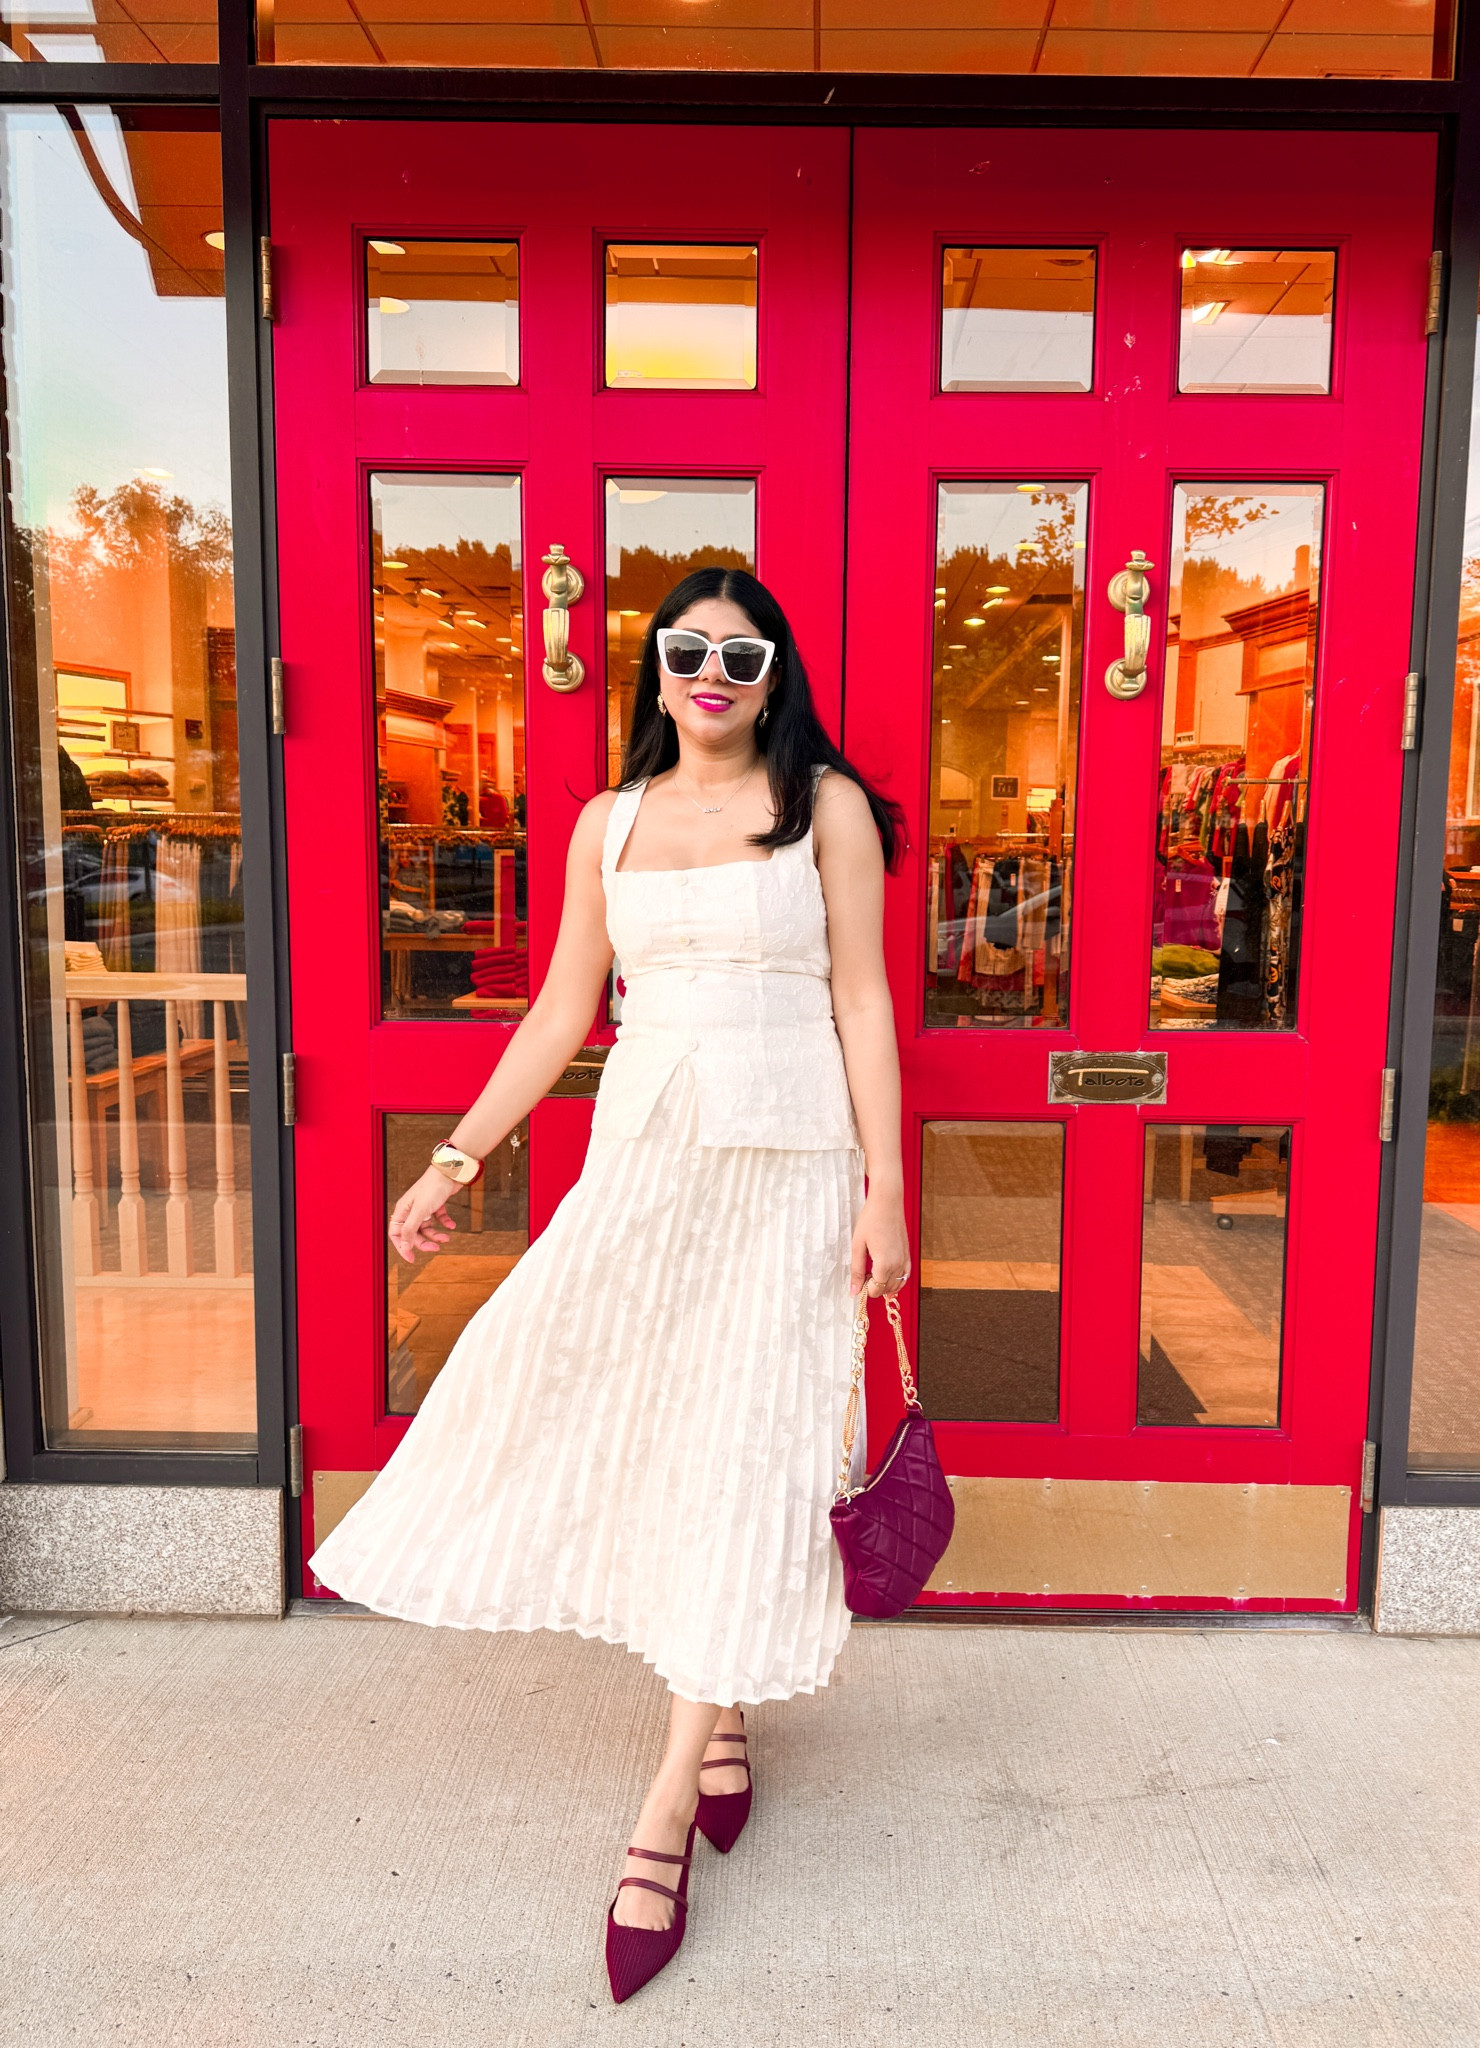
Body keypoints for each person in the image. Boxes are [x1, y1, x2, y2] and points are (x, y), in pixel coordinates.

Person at [310, 566, 909, 2003]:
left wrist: (889, 1187)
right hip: (646, 1165)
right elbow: (562, 1008)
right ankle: (718, 1715)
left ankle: (659, 1820)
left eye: (741, 652)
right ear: (653, 669)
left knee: (750, 1455)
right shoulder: (605, 824)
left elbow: (865, 999)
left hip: (788, 1169)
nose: (713, 671)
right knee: (616, 1420)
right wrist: (455, 1161)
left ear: (776, 672)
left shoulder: (822, 805)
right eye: (687, 650)